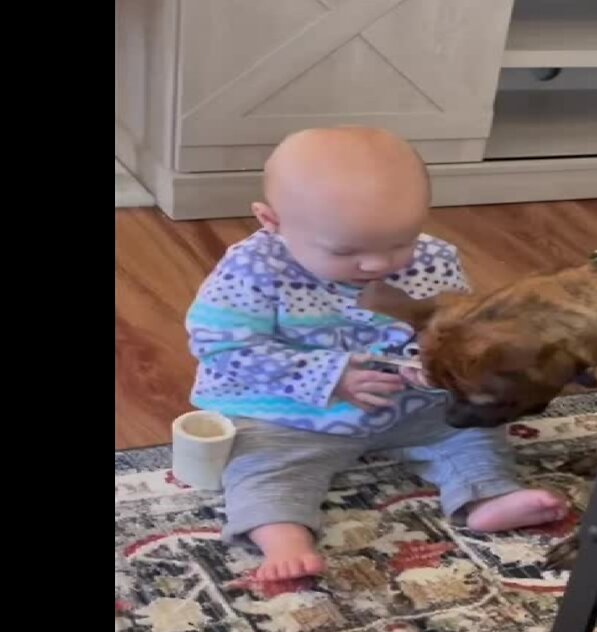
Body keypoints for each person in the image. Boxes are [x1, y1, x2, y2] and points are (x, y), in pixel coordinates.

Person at [185, 126, 567, 581]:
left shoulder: (432, 260)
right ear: (272, 222)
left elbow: (446, 327)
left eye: (399, 243)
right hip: (290, 412)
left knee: (472, 427)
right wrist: (331, 377)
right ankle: (281, 532)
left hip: (407, 405)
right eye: (347, 251)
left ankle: (488, 496)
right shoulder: (251, 271)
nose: (377, 264)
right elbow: (223, 345)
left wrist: (431, 364)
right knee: (258, 459)